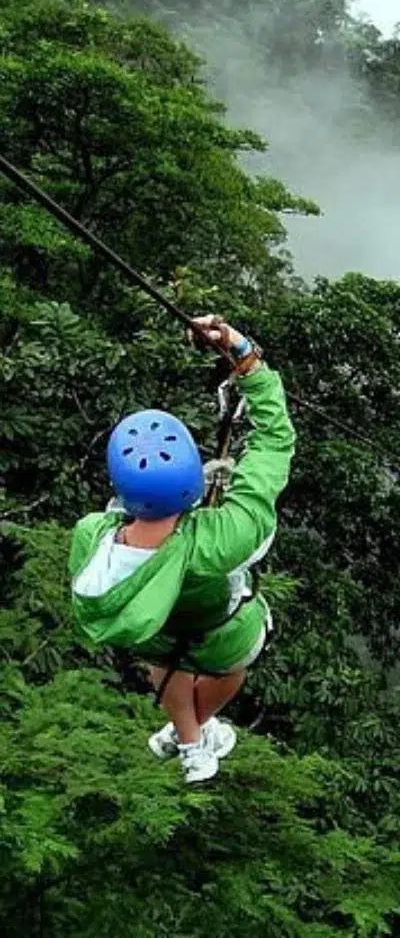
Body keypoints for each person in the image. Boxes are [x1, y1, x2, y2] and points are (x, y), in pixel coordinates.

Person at [68, 316, 296, 783]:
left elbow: (116, 520)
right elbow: (274, 443)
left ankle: (188, 737)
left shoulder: (91, 534)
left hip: (157, 636)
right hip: (219, 634)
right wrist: (245, 356)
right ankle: (189, 736)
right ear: (193, 481)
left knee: (166, 665)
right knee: (235, 666)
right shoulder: (220, 539)